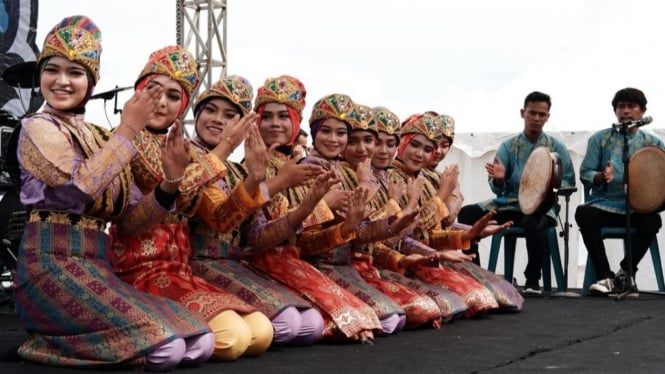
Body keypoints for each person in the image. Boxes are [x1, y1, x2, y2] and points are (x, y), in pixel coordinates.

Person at [13, 15, 213, 370]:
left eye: (75, 73)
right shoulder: (37, 128)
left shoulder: (100, 137)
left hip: (96, 267)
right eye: (52, 70)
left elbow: (133, 221)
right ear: (39, 75)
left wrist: (170, 182)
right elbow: (77, 189)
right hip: (50, 266)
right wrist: (130, 128)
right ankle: (45, 342)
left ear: (91, 83)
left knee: (201, 339)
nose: (61, 81)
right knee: (166, 351)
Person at [110, 47, 274, 361]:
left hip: (179, 269)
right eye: (153, 90)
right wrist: (224, 148)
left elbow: (220, 220)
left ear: (183, 106)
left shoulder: (190, 153)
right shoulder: (125, 140)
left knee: (261, 331)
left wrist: (254, 177)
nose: (161, 102)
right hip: (137, 269)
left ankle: (181, 340)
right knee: (234, 338)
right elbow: (162, 187)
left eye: (173, 96)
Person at [188, 74, 326, 346]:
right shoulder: (187, 154)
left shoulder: (240, 168)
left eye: (229, 115)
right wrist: (272, 182)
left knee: (311, 324)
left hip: (239, 261)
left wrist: (308, 204)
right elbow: (221, 219)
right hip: (201, 261)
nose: (217, 120)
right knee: (281, 326)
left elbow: (256, 232)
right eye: (211, 111)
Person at [242, 85, 383, 343]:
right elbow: (258, 236)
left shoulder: (320, 168)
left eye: (284, 116)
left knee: (379, 317)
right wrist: (322, 205)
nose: (276, 124)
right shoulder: (258, 163)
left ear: (295, 122)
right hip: (264, 261)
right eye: (268, 116)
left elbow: (316, 237)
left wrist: (350, 224)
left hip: (308, 259)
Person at [457, 91, 575, 296]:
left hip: (541, 208)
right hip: (509, 204)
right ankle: (474, 273)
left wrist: (547, 186)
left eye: (542, 114)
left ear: (548, 117)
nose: (537, 118)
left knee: (533, 222)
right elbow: (496, 188)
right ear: (523, 113)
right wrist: (500, 179)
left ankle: (532, 280)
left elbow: (568, 181)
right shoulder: (508, 146)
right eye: (532, 113)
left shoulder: (557, 147)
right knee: (467, 214)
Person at [576, 87, 664, 295]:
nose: (626, 111)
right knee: (584, 213)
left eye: (631, 106)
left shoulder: (653, 144)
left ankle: (625, 272)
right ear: (615, 110)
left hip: (635, 209)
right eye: (621, 106)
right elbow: (586, 171)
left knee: (653, 221)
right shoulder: (599, 139)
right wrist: (600, 177)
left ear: (642, 111)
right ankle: (604, 276)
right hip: (604, 203)